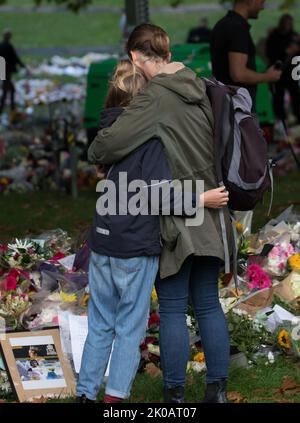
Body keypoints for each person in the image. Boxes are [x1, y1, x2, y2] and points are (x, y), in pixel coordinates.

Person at [88, 23, 234, 403]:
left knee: (171, 306)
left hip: (176, 212)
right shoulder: (199, 85)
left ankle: (174, 395)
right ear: (168, 55)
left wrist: (98, 154)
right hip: (213, 206)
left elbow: (107, 146)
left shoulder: (153, 97)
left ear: (136, 57)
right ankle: (217, 390)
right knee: (206, 302)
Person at [210, 0, 282, 110]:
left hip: (224, 107)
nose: (262, 7)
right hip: (239, 111)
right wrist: (268, 77)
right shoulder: (237, 28)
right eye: (261, 2)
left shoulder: (222, 25)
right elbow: (238, 74)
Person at [266, 14, 300, 124]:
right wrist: (285, 51)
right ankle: (280, 119)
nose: (288, 25)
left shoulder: (294, 36)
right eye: (286, 23)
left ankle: (297, 117)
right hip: (278, 71)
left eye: (289, 23)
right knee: (278, 97)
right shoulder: (274, 36)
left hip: (292, 71)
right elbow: (270, 53)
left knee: (296, 96)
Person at [0, 29, 25, 116]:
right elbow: (15, 58)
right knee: (6, 90)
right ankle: (7, 108)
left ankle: (10, 107)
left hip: (3, 71)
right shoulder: (8, 46)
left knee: (8, 90)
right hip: (5, 71)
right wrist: (23, 66)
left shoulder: (1, 45)